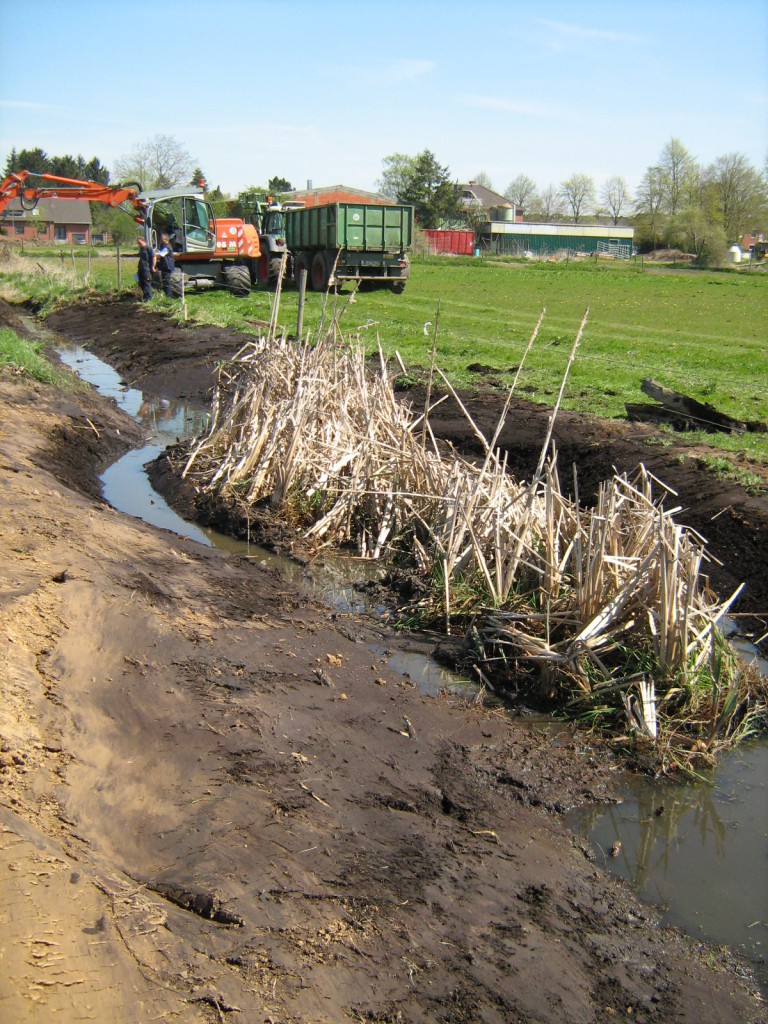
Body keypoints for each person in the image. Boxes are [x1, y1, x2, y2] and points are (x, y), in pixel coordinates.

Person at [153, 233, 176, 298]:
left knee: (167, 282)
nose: (160, 240)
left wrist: (154, 254)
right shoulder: (164, 246)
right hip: (164, 267)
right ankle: (167, 296)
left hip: (167, 267)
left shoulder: (167, 247)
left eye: (161, 239)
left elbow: (161, 255)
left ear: (166, 239)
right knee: (165, 282)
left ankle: (169, 297)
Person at [136, 236, 154, 302]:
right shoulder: (141, 249)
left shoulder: (149, 249)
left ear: (144, 241)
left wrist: (153, 266)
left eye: (140, 243)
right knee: (141, 283)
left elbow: (153, 257)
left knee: (147, 283)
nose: (139, 245)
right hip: (141, 268)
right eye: (138, 243)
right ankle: (145, 296)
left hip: (147, 269)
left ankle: (148, 298)